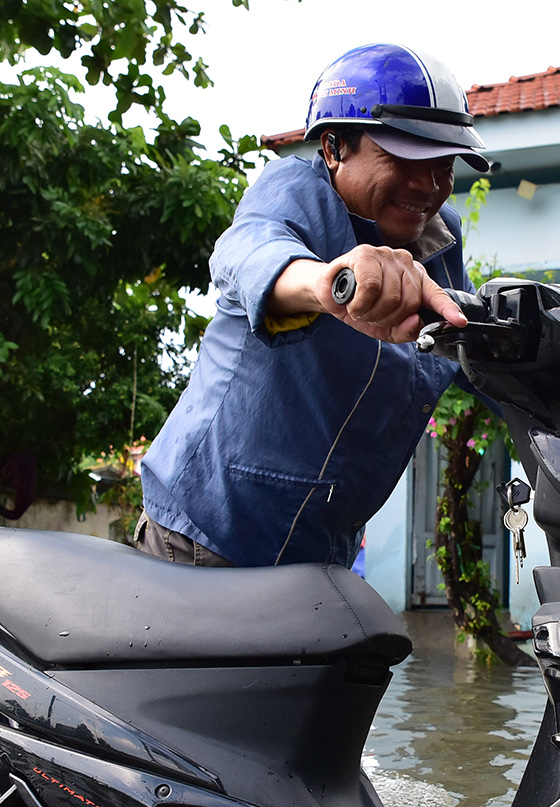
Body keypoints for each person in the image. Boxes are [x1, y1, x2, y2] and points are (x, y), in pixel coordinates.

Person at [136, 43, 487, 569]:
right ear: (333, 148)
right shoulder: (293, 192)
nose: (427, 185)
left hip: (320, 555)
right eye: (403, 158)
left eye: (443, 166)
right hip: (206, 537)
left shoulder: (441, 243)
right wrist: (333, 281)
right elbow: (252, 252)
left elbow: (479, 356)